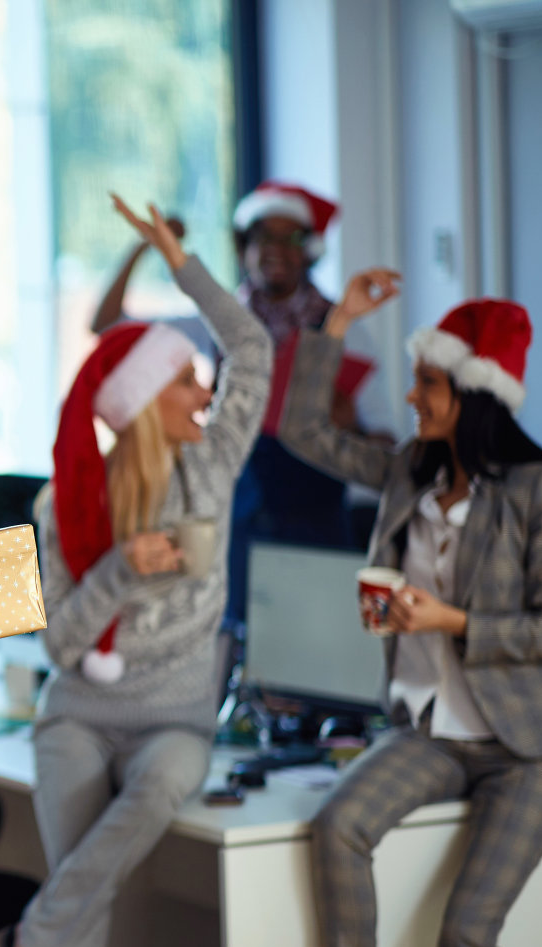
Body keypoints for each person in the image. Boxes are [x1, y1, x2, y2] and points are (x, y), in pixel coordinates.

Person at [0, 197, 272, 947]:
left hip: (176, 722)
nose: (206, 390)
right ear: (150, 398)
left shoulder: (212, 465)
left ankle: (33, 938)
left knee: (146, 804)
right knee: (95, 896)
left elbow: (254, 350)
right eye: (189, 378)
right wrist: (122, 566)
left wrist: (175, 261)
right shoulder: (66, 500)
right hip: (78, 713)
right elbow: (62, 647)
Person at [279, 275, 542, 947]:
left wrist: (452, 620)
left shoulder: (536, 490)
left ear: (473, 394)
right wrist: (336, 323)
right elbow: (303, 432)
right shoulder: (408, 470)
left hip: (525, 747)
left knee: (466, 932)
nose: (412, 396)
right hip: (431, 727)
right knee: (339, 825)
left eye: (428, 383)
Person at [92, 181, 392, 621]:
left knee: (314, 653)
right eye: (262, 237)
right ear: (243, 248)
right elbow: (108, 325)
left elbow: (387, 443)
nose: (275, 249)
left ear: (310, 250)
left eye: (290, 238)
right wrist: (146, 247)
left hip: (317, 524)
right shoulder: (216, 325)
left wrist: (351, 427)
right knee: (238, 646)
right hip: (238, 522)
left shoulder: (347, 328)